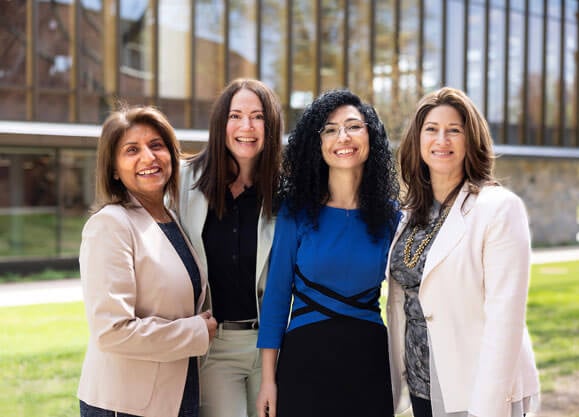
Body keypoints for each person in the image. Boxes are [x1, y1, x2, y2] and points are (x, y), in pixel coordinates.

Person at [386, 86, 541, 417]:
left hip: (476, 388)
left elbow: (505, 320)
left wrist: (487, 408)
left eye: (454, 130)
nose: (441, 140)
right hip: (421, 384)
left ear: (471, 140)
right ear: (417, 140)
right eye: (432, 130)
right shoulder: (409, 214)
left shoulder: (498, 208)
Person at [256, 89, 400, 417]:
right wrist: (268, 380)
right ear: (316, 143)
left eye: (353, 126)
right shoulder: (296, 212)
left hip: (369, 362)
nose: (343, 137)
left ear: (371, 136)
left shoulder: (393, 218)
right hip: (304, 363)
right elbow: (277, 297)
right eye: (331, 129)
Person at [77, 105, 217, 417]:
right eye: (131, 150)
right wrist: (196, 332)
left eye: (156, 145)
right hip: (125, 404)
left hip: (175, 395)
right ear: (114, 168)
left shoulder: (170, 218)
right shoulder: (110, 225)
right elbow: (112, 331)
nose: (148, 157)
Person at [178, 79, 283, 417]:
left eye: (257, 117)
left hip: (273, 347)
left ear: (271, 126)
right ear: (220, 123)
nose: (247, 127)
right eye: (235, 115)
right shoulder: (184, 183)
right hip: (216, 346)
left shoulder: (284, 192)